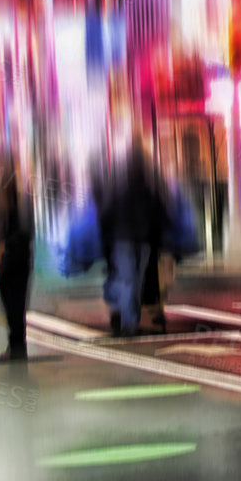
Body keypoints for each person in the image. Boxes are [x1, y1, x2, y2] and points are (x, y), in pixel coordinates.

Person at [98, 134, 168, 338]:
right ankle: (129, 320)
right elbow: (158, 207)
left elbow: (108, 209)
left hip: (125, 237)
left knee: (130, 280)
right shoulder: (149, 179)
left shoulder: (120, 179)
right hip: (141, 238)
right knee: (135, 281)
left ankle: (128, 320)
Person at [0, 160, 34, 362]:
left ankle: (17, 346)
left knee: (14, 304)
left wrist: (2, 246)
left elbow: (25, 233)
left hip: (14, 260)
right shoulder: (8, 202)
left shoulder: (18, 203)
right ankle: (16, 345)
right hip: (12, 261)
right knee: (13, 304)